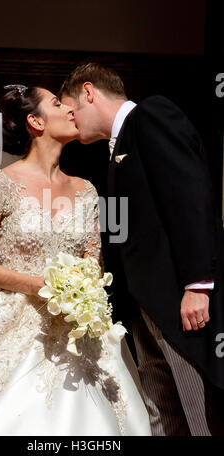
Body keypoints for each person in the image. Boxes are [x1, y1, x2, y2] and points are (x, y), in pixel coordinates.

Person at [0, 84, 151, 436]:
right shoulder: (0, 184)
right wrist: (36, 285)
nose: (70, 110)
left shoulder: (86, 188)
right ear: (35, 121)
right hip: (14, 321)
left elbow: (95, 263)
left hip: (79, 325)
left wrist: (82, 294)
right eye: (58, 104)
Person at [59, 63, 224, 436]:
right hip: (143, 304)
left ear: (89, 92)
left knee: (196, 408)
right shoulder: (116, 148)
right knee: (162, 408)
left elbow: (189, 196)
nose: (72, 122)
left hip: (176, 300)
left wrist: (197, 284)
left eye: (72, 110)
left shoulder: (151, 114)